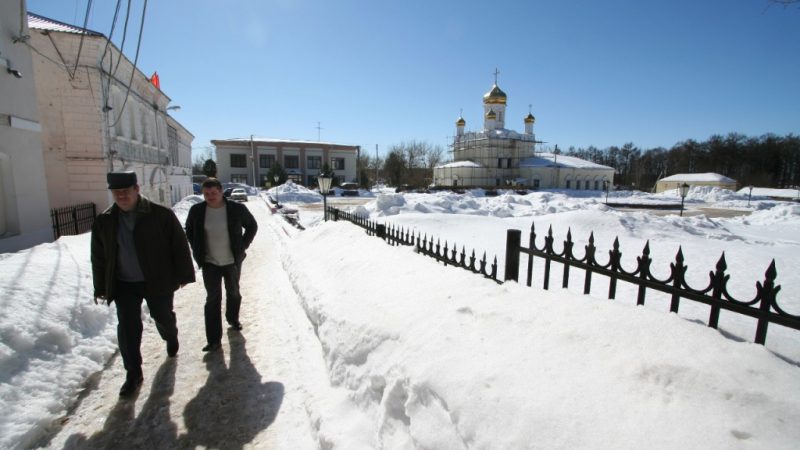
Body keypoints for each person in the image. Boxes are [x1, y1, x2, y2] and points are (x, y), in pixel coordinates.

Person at [91, 171, 195, 397]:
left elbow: (179, 244)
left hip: (157, 279)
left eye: (125, 192)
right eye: (116, 193)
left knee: (162, 316)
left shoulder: (160, 215)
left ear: (136, 189)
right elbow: (99, 256)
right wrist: (101, 286)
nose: (121, 196)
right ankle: (133, 373)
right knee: (128, 328)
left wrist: (184, 274)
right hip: (124, 284)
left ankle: (171, 334)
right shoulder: (105, 221)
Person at [185, 178, 258, 352]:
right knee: (212, 299)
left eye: (214, 193)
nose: (210, 196)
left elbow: (252, 226)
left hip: (232, 261)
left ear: (221, 191)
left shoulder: (236, 209)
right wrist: (197, 248)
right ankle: (213, 340)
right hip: (210, 262)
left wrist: (243, 245)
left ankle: (232, 318)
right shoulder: (197, 211)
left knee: (233, 292)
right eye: (206, 194)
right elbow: (189, 230)